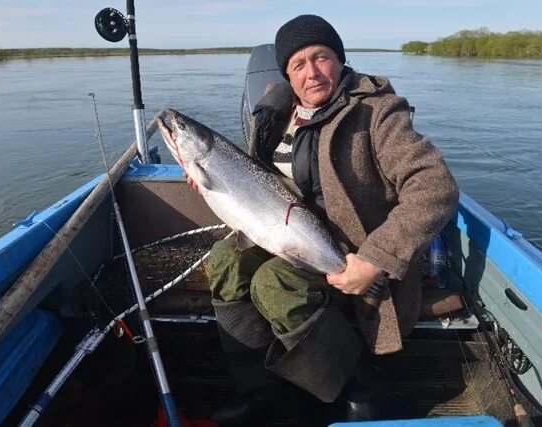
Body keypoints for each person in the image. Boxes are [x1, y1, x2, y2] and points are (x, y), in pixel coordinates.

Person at [193, 14, 459, 424]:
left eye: (321, 58)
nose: (312, 73)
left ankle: (355, 387)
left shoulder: (377, 112)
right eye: (298, 65)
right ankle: (261, 387)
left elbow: (435, 187)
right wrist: (213, 186)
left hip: (358, 256)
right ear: (286, 74)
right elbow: (253, 186)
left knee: (273, 283)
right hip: (285, 234)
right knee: (225, 259)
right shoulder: (273, 115)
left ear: (340, 59)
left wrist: (375, 260)